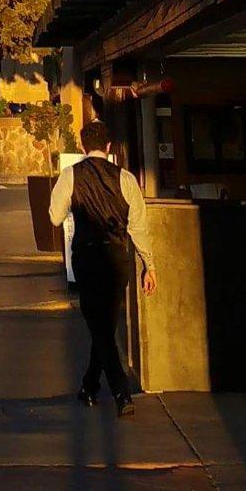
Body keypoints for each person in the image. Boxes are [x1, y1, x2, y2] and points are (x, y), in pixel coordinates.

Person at [49, 118, 157, 417]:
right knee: (106, 323)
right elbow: (138, 226)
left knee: (97, 324)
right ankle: (89, 386)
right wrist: (149, 264)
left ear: (83, 146)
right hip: (118, 257)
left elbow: (55, 217)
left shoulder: (71, 175)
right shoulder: (126, 178)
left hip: (87, 256)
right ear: (109, 147)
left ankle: (121, 392)